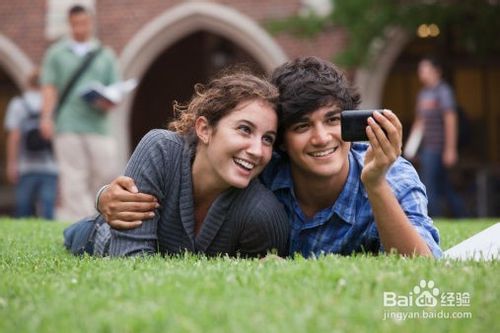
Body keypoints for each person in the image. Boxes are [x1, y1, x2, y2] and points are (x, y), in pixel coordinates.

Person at [97, 56, 442, 258]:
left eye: (333, 120)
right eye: (303, 125)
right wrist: (104, 198)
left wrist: (376, 183)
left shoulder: (390, 172)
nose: (322, 137)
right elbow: (189, 162)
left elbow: (423, 266)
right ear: (284, 143)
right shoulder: (263, 166)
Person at [63, 71, 289, 258]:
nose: (257, 150)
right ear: (204, 129)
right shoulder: (161, 150)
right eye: (244, 129)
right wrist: (101, 197)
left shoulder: (262, 214)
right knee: (78, 233)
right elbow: (129, 261)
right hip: (97, 236)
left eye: (267, 138)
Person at [40, 4, 120, 221]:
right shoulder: (56, 53)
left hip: (98, 125)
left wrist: (106, 101)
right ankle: (82, 222)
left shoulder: (105, 54)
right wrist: (46, 118)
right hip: (67, 123)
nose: (80, 28)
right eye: (75, 24)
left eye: (83, 23)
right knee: (73, 175)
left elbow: (116, 90)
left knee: (104, 172)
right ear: (69, 24)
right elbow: (49, 88)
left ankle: (99, 217)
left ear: (91, 23)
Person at [407, 56, 466, 218]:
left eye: (424, 69)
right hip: (428, 148)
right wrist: (410, 148)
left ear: (436, 71)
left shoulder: (444, 91)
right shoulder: (423, 94)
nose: (421, 73)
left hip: (440, 148)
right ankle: (454, 215)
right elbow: (419, 123)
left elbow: (450, 120)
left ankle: (437, 218)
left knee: (435, 186)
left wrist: (450, 149)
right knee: (438, 185)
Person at [4, 69, 58, 219]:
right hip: (50, 167)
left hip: (25, 166)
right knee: (48, 208)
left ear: (28, 83)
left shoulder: (18, 104)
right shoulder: (52, 105)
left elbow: (14, 137)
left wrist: (11, 164)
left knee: (23, 208)